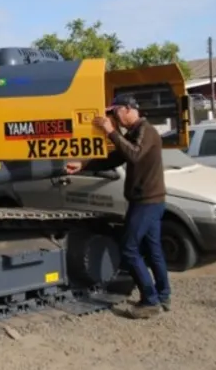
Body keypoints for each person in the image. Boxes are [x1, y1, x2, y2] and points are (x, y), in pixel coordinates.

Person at [65, 94, 171, 319]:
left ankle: (151, 301)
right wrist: (82, 165)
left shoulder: (146, 130)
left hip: (146, 202)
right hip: (149, 201)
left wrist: (110, 131)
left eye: (115, 112)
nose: (113, 116)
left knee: (129, 249)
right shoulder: (135, 132)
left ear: (127, 109)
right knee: (153, 251)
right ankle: (163, 294)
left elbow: (133, 155)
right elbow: (114, 159)